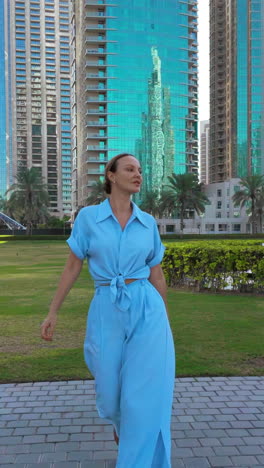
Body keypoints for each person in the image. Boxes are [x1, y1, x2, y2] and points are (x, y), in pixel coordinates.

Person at [41, 153, 176, 468]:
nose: (137, 174)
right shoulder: (89, 218)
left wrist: (165, 321)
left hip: (147, 308)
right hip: (106, 306)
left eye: (140, 170)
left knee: (141, 399)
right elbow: (73, 266)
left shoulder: (147, 222)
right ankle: (121, 426)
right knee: (110, 394)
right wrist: (53, 312)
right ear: (111, 176)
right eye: (130, 169)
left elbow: (156, 274)